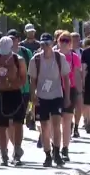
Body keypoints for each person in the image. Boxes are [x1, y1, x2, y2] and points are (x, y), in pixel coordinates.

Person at [0, 36, 26, 166]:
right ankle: (3, 154)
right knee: (2, 125)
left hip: (15, 94)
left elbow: (23, 78)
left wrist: (12, 83)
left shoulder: (18, 60)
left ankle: (17, 151)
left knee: (18, 123)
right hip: (1, 95)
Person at [29, 33, 69, 167]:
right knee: (45, 127)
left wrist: (67, 96)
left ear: (52, 44)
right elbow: (32, 80)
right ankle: (47, 154)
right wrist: (33, 96)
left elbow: (66, 79)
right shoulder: (36, 60)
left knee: (57, 125)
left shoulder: (59, 58)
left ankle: (57, 152)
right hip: (41, 96)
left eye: (47, 44)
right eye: (42, 44)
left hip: (57, 95)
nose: (44, 47)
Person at [55, 31, 81, 161]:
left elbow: (77, 74)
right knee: (55, 121)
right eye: (62, 40)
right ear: (58, 42)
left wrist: (79, 91)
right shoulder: (53, 56)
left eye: (67, 40)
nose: (64, 43)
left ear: (71, 43)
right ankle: (56, 147)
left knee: (66, 121)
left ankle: (65, 148)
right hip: (55, 90)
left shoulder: (74, 56)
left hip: (70, 90)